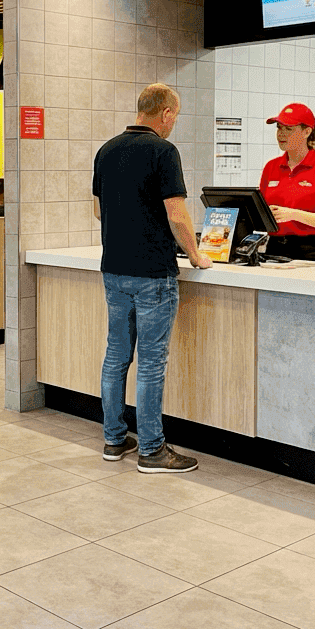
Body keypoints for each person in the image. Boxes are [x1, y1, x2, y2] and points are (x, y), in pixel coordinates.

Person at [92, 82, 210, 475]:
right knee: (151, 363)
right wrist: (195, 255)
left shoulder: (106, 150)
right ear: (166, 113)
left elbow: (98, 210)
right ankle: (152, 450)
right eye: (175, 115)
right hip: (152, 274)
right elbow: (177, 214)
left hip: (114, 269)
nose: (174, 122)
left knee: (116, 356)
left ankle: (114, 439)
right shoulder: (163, 151)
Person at [260, 103, 315, 262]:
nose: (281, 134)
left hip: (311, 251)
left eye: (289, 129)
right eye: (279, 128)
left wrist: (293, 215)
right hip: (274, 248)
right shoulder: (271, 167)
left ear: (307, 131)